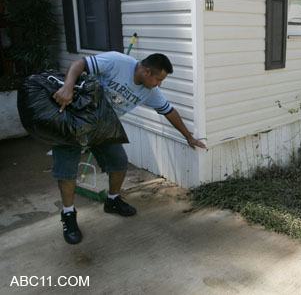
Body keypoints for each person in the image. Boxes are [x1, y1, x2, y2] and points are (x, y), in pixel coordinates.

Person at [52, 51, 206, 244]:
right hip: (75, 119)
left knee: (119, 163)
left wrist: (189, 137)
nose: (159, 84)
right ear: (147, 71)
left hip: (104, 127)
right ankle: (68, 215)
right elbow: (78, 63)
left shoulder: (150, 91)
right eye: (159, 79)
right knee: (66, 171)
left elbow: (169, 111)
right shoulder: (117, 62)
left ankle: (113, 200)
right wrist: (68, 86)